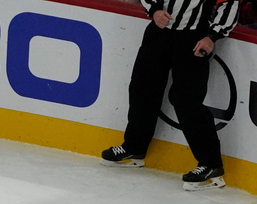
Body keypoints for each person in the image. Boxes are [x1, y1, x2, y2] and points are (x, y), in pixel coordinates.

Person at [100, 0, 241, 190]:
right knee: (142, 89)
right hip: (158, 32)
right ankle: (134, 148)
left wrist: (211, 36)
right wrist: (155, 10)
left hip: (194, 39)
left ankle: (211, 164)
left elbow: (230, 4)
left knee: (187, 101)